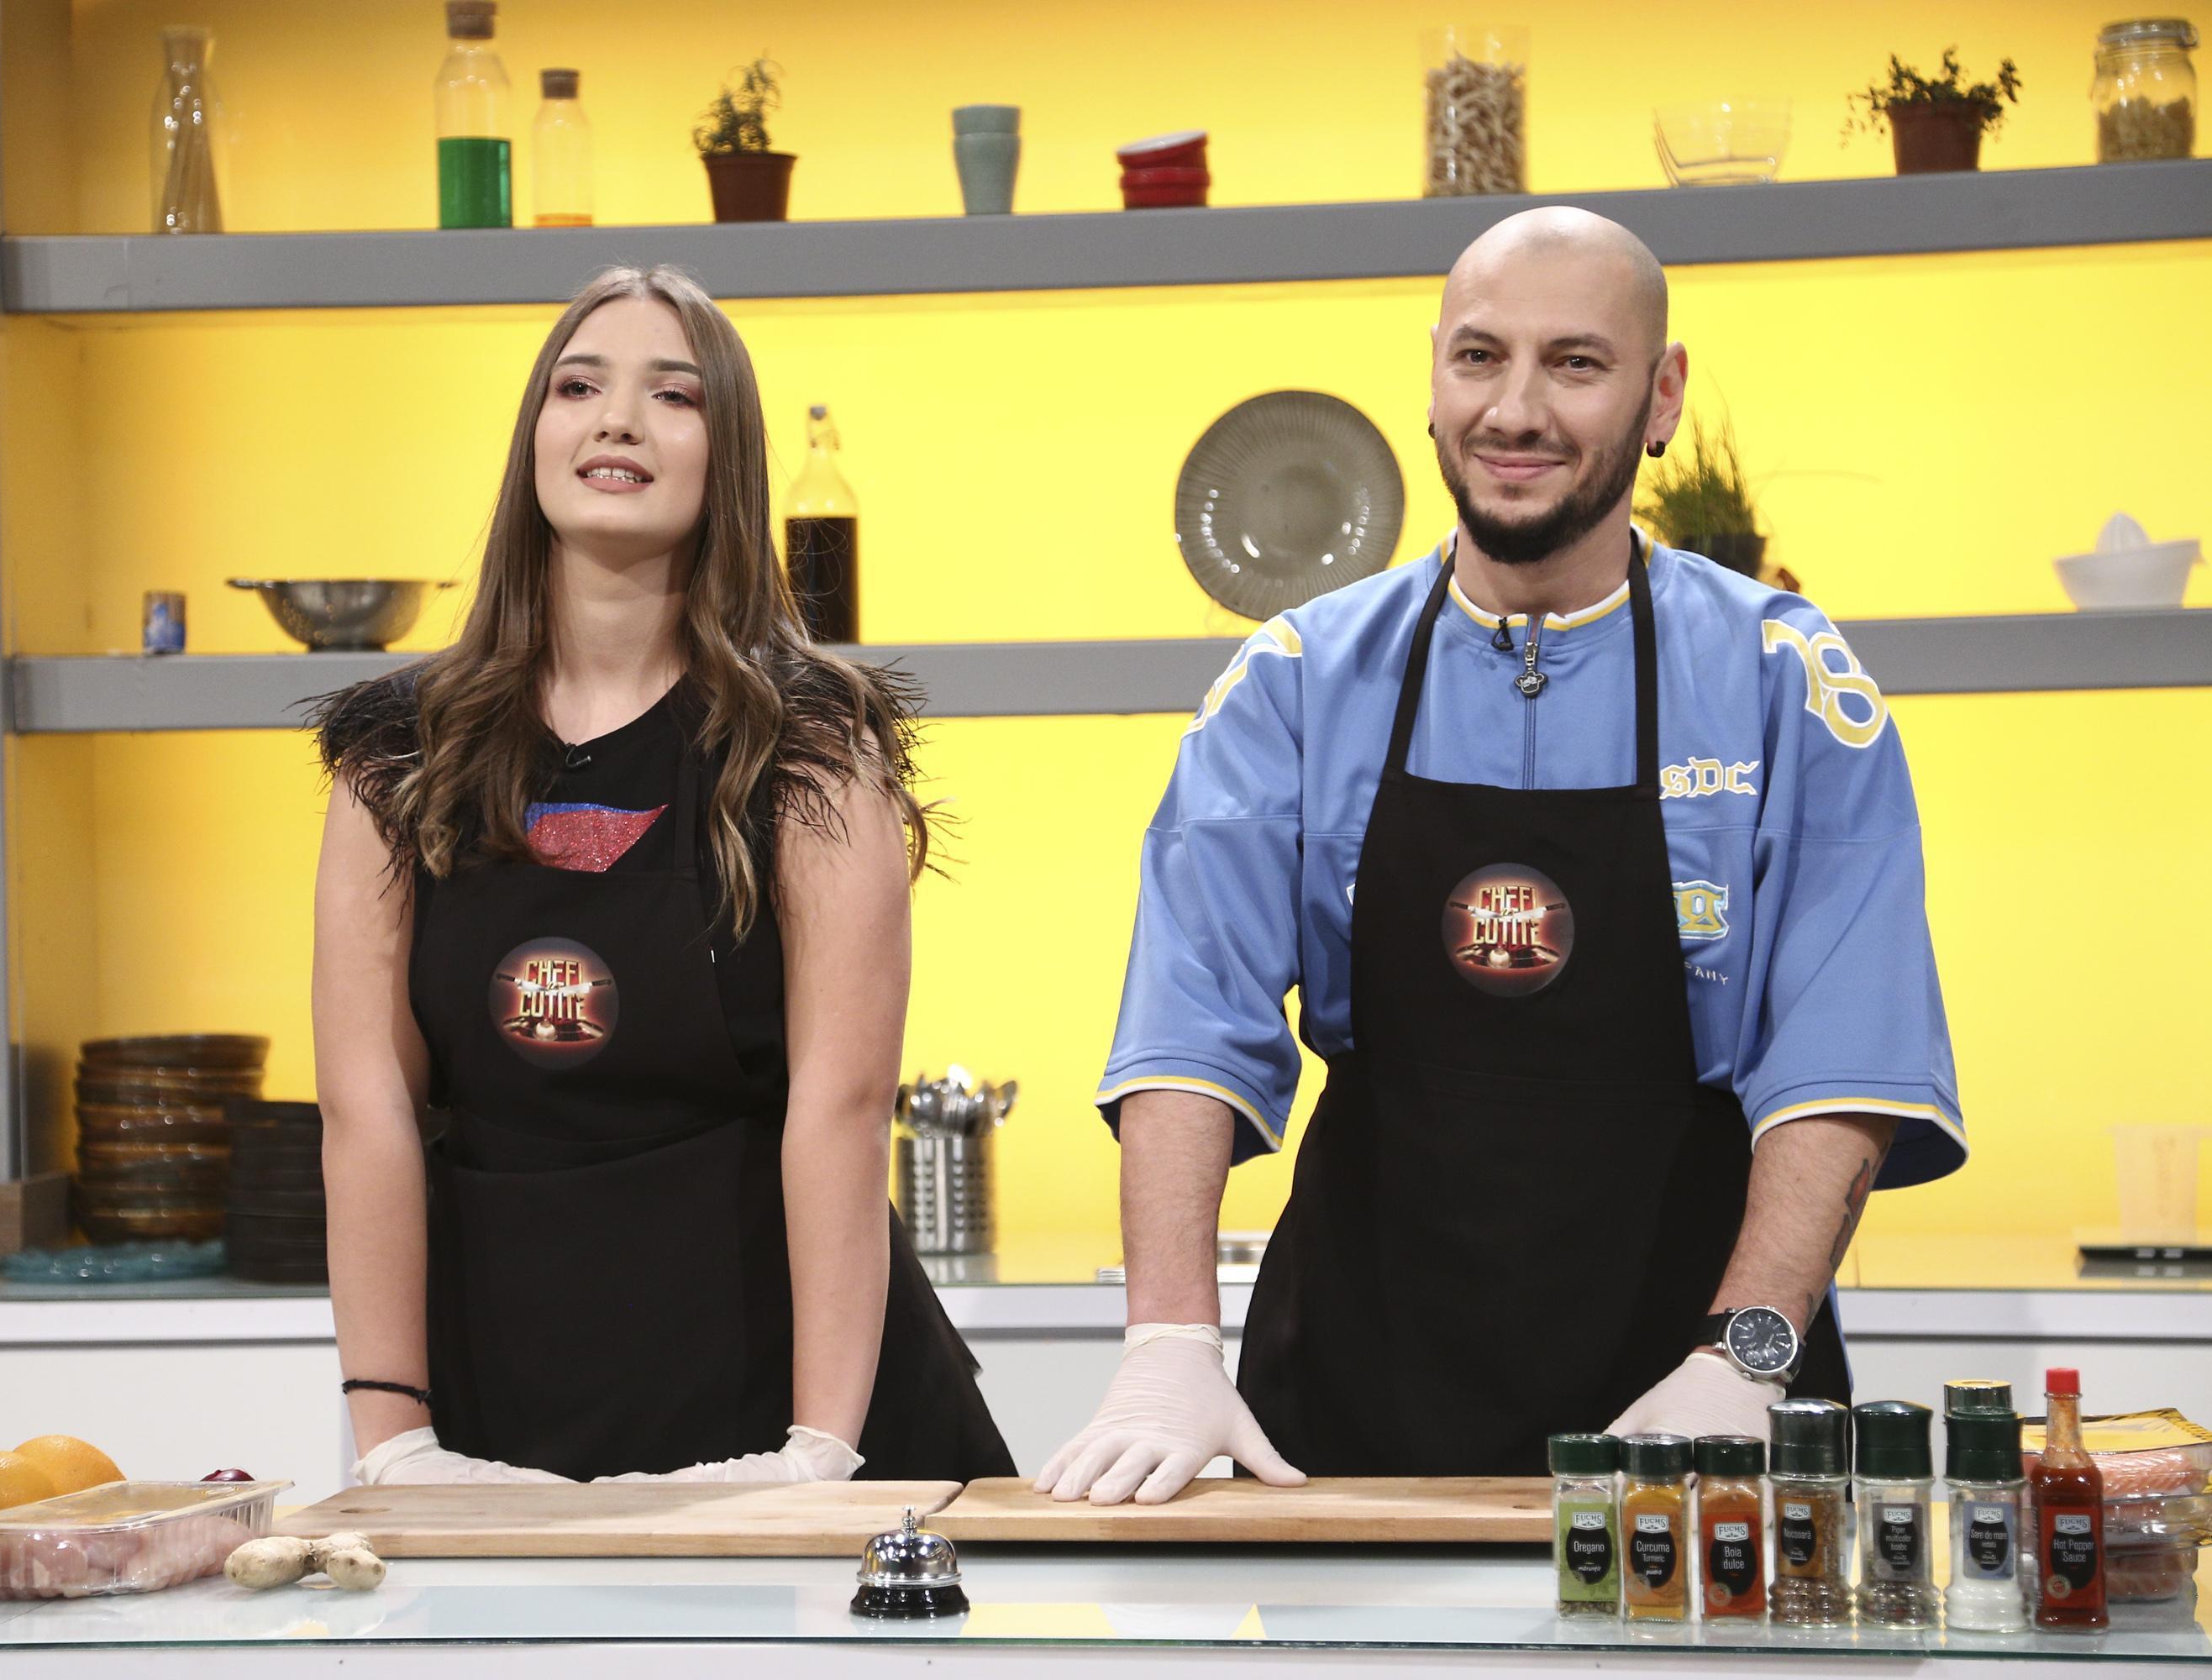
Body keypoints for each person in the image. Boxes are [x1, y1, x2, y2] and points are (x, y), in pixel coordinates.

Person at [1039, 208, 1963, 1503]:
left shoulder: (1784, 680)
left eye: (1576, 364)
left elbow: (1843, 1059)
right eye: (1480, 357)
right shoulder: (1298, 680)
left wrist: (1746, 1363)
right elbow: (1190, 1027)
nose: (1516, 410)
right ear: (1433, 374)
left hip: (1701, 1402)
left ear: (1662, 395)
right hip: (1353, 1401)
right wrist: (1168, 1346)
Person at [310, 265, 1014, 1487]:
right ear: (534, 436)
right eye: (579, 387)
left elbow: (841, 1107)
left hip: (784, 1385)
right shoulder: (397, 753)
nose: (618, 421)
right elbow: (364, 1107)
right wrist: (395, 1442)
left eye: (672, 395)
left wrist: (818, 1452)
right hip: (499, 1401)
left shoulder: (812, 746)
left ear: (725, 455)